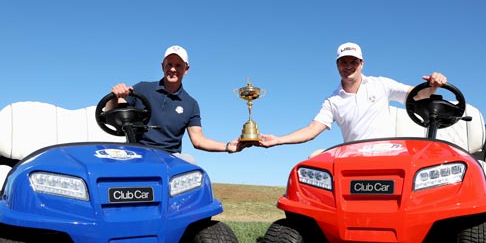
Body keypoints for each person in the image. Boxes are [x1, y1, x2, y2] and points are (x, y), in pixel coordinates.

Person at [258, 42, 448, 148]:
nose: (348, 66)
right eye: (343, 62)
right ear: (337, 65)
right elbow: (310, 131)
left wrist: (433, 85)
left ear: (362, 63)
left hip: (387, 154)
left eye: (353, 62)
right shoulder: (333, 101)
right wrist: (279, 140)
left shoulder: (380, 84)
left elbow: (416, 95)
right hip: (353, 157)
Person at [106, 45, 246, 158]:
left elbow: (198, 140)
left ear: (186, 69)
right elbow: (109, 113)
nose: (173, 69)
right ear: (163, 66)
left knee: (190, 162)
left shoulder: (191, 104)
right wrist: (115, 96)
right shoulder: (142, 88)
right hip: (136, 153)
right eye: (169, 64)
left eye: (178, 65)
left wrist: (228, 146)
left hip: (170, 157)